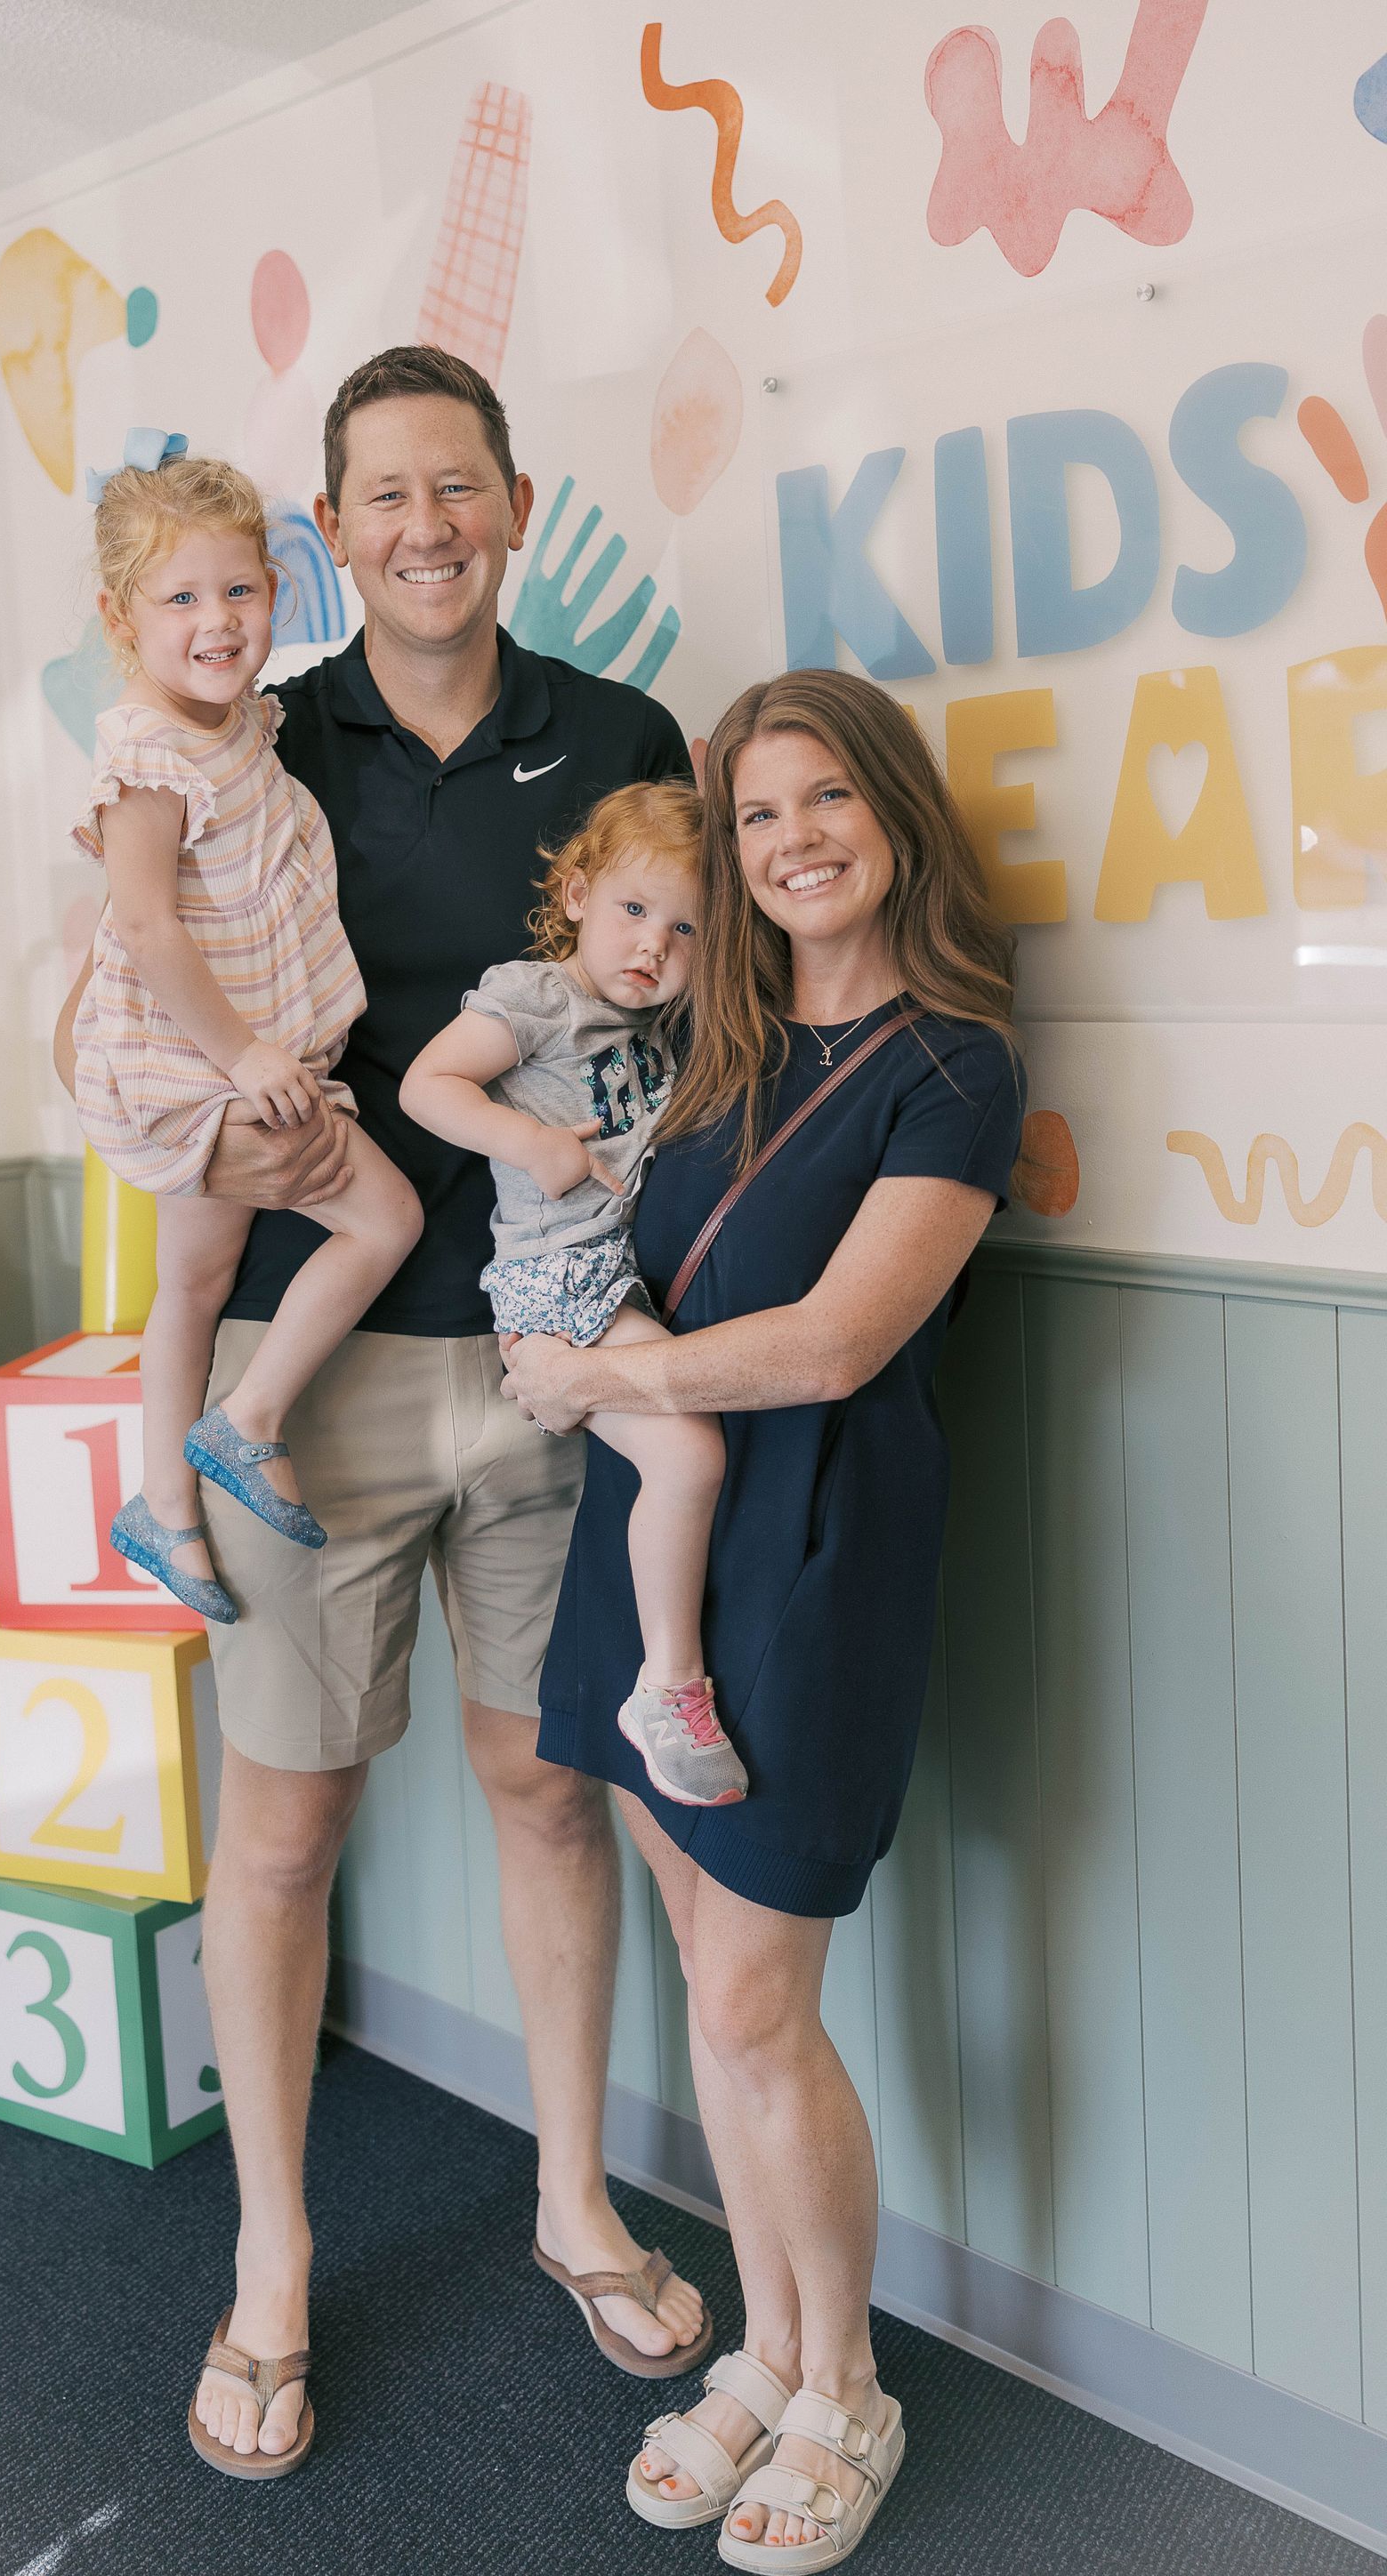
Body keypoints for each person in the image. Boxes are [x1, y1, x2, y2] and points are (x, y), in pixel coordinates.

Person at [56, 346, 710, 2477]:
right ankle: (268, 2261)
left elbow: (683, 1023)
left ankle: (569, 2191)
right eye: (381, 498)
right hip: (305, 1377)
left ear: (515, 500)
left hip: (547, 1366)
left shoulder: (617, 740)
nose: (422, 526)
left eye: (460, 486)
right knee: (284, 1826)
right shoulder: (249, 718)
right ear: (328, 533)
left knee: (544, 1790)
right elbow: (134, 957)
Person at [502, 671, 1023, 2569]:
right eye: (754, 815)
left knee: (750, 1997)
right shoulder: (700, 1045)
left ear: (890, 812)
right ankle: (778, 2352)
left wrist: (592, 1373)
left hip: (815, 1550)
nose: (791, 838)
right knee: (703, 1975)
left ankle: (852, 2387)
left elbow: (841, 1337)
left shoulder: (954, 1061)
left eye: (825, 800)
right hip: (649, 1543)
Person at [69, 439, 422, 1617]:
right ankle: (248, 1419)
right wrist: (248, 1056)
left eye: (240, 590)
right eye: (181, 598)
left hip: (217, 1061)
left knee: (193, 1287)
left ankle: (164, 1510)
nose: (217, 620)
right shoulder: (154, 761)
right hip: (206, 1066)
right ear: (123, 618)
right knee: (385, 1215)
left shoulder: (238, 727)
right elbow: (147, 930)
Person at [401, 779, 744, 1808]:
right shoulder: (540, 997)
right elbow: (429, 1086)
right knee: (688, 1451)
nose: (655, 947)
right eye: (636, 911)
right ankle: (668, 1684)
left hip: (620, 1272)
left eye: (687, 929)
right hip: (560, 1280)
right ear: (579, 892)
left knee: (684, 1458)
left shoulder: (665, 1018)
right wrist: (532, 1142)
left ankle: (666, 1676)